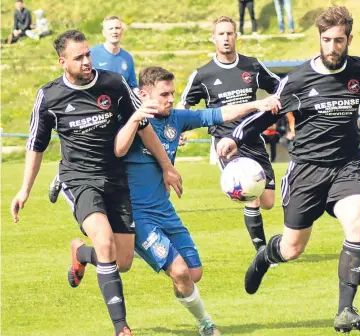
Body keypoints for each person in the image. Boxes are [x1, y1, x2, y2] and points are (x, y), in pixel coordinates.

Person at [216, 6, 360, 333]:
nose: (331, 47)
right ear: (319, 39)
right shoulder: (298, 79)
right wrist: (235, 136)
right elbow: (268, 113)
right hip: (306, 171)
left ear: (349, 39)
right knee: (292, 248)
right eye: (326, 40)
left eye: (338, 40)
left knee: (358, 224)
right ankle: (265, 256)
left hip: (347, 166)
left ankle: (345, 310)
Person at [10, 30, 182, 336]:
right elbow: (35, 145)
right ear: (63, 62)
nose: (87, 60)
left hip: (115, 179)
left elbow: (143, 128)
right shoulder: (49, 96)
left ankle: (80, 254)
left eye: (88, 54)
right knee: (104, 243)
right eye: (79, 57)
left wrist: (167, 167)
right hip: (78, 181)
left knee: (123, 260)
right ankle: (122, 328)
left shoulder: (114, 84)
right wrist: (25, 189)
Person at [121, 66, 280, 336]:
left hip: (164, 209)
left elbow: (216, 114)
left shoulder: (176, 119)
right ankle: (206, 324)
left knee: (193, 274)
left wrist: (257, 104)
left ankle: (97, 253)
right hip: (137, 213)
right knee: (181, 272)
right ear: (143, 94)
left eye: (172, 93)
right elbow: (109, 148)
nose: (171, 99)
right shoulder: (131, 123)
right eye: (164, 94)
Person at [179, 16, 280, 253]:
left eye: (229, 33)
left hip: (253, 139)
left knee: (267, 202)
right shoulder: (203, 74)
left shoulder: (252, 66)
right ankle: (262, 252)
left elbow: (279, 86)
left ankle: (263, 245)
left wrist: (276, 100)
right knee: (249, 191)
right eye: (221, 34)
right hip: (225, 144)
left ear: (236, 36)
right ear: (213, 38)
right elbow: (184, 105)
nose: (225, 38)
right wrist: (179, 131)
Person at [48, 15, 138, 203]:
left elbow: (132, 85)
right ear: (103, 32)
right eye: (111, 28)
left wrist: (141, 102)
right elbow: (79, 80)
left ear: (123, 30)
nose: (115, 31)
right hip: (98, 109)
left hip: (119, 108)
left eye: (118, 28)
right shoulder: (93, 53)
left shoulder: (127, 58)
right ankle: (66, 175)